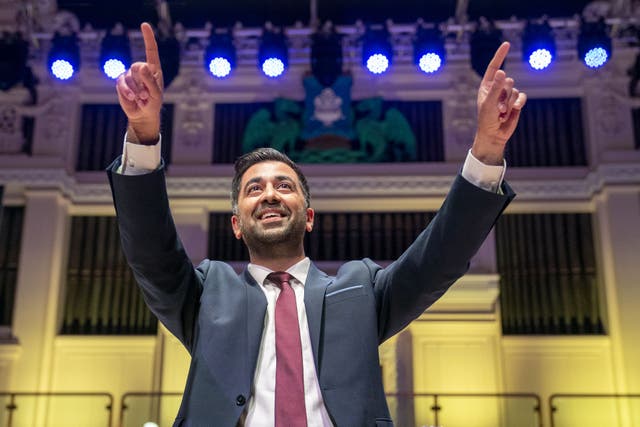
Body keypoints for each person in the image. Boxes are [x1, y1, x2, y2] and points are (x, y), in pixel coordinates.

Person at [107, 22, 526, 427]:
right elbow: (150, 252)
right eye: (254, 189)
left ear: (308, 217)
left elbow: (441, 257)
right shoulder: (205, 295)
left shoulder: (361, 290)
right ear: (237, 225)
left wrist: (487, 150)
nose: (269, 194)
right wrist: (144, 134)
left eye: (283, 185)